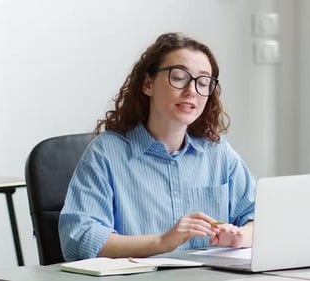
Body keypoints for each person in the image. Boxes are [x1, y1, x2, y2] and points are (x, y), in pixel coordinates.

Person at [59, 32, 256, 261]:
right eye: (179, 77)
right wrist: (162, 242)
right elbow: (80, 238)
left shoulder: (218, 152)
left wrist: (239, 237)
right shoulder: (106, 153)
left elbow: (261, 219)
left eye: (203, 82)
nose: (192, 90)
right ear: (148, 84)